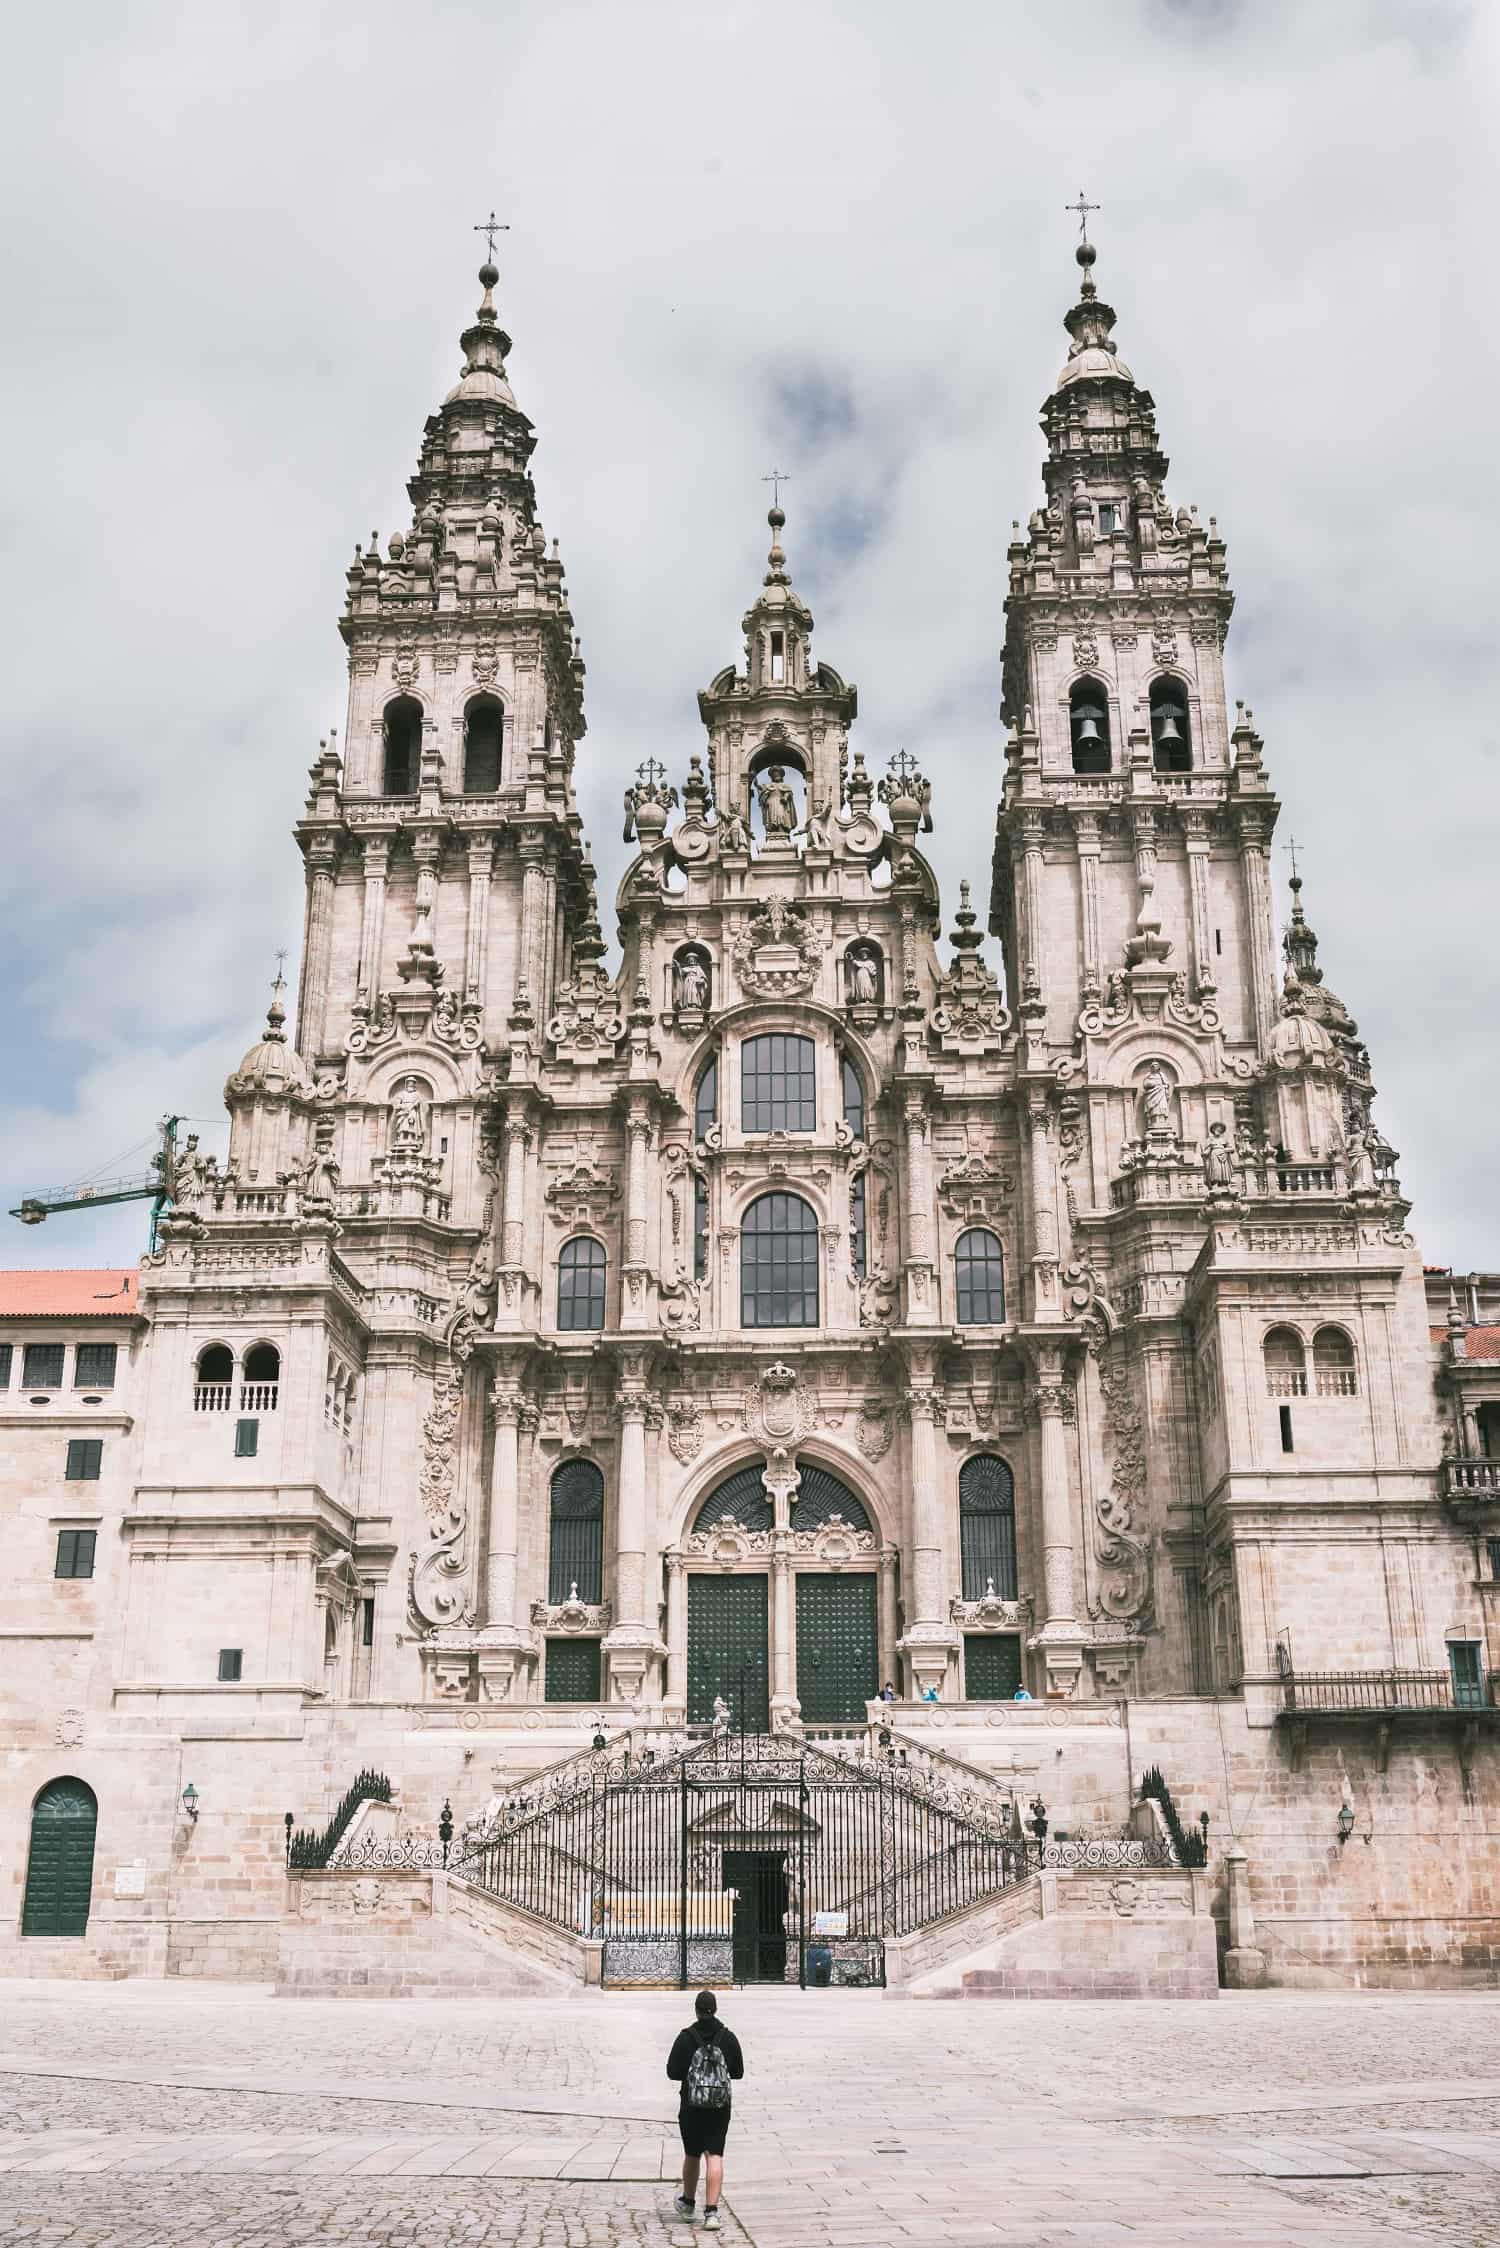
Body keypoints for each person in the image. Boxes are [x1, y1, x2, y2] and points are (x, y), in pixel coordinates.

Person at [668, 1990, 744, 2233]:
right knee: (715, 2155)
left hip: (691, 2105)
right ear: (716, 2009)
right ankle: (711, 2212)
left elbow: (672, 2071)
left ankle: (688, 2204)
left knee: (692, 2153)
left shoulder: (686, 2037)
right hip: (719, 2107)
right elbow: (738, 2072)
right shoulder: (728, 2038)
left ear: (697, 2010)